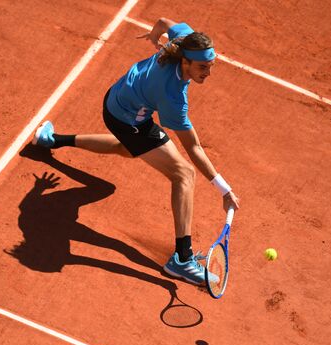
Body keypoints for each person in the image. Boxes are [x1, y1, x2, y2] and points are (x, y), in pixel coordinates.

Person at [31, 18, 240, 285]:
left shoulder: (184, 40)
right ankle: (182, 260)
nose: (207, 73)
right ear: (185, 62)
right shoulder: (172, 96)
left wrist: (155, 36)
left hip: (116, 98)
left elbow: (164, 22)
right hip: (129, 119)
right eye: (202, 67)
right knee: (184, 174)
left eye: (210, 67)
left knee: (127, 149)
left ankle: (52, 139)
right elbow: (194, 148)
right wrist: (224, 189)